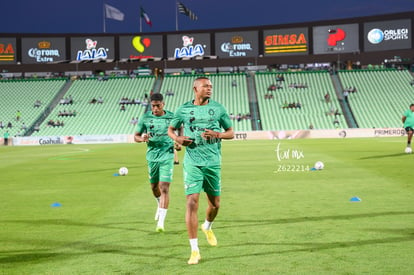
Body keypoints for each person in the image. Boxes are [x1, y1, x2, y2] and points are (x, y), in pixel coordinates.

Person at [168, 77, 234, 265]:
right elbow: (171, 130)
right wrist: (178, 139)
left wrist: (218, 134)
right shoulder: (183, 109)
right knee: (191, 202)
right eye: (206, 86)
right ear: (195, 88)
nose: (209, 89)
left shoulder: (218, 108)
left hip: (213, 162)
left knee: (215, 205)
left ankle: (208, 226)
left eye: (211, 86)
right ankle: (194, 250)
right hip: (192, 162)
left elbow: (231, 132)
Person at [134, 93, 180, 233]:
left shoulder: (172, 117)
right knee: (154, 187)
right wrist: (143, 139)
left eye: (157, 106)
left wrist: (178, 141)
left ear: (163, 104)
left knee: (164, 187)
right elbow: (136, 136)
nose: (155, 109)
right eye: (153, 106)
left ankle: (161, 222)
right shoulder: (146, 117)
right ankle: (158, 203)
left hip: (167, 154)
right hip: (152, 155)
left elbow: (178, 131)